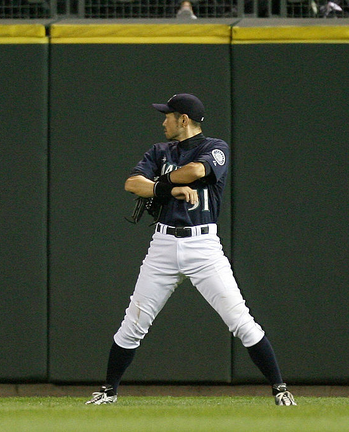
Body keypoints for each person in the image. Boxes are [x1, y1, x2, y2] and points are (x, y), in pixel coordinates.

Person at [86, 94, 296, 406]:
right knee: (134, 322)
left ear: (184, 119)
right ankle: (108, 391)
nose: (163, 121)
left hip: (203, 246)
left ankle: (280, 389)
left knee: (240, 319)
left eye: (167, 116)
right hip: (163, 245)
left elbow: (196, 172)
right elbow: (132, 183)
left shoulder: (215, 147)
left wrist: (159, 181)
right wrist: (167, 188)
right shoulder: (160, 151)